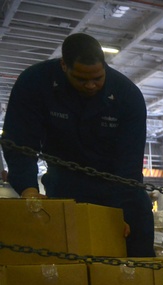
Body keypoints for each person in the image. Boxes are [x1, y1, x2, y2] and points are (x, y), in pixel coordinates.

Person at [1, 33, 154, 257]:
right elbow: (19, 142)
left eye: (98, 78)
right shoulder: (35, 83)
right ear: (64, 65)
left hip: (117, 187)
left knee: (137, 252)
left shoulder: (127, 95)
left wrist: (123, 213)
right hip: (65, 184)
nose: (91, 85)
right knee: (69, 260)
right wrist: (28, 190)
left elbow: (129, 163)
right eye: (81, 79)